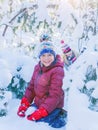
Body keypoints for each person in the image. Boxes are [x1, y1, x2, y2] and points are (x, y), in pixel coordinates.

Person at [17, 42, 67, 128]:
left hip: (53, 106)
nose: (46, 58)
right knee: (27, 116)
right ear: (39, 57)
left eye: (49, 55)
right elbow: (31, 87)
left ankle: (61, 115)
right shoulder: (37, 67)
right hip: (39, 103)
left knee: (41, 123)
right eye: (43, 55)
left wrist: (42, 111)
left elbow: (55, 95)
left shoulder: (58, 70)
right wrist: (25, 103)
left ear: (54, 55)